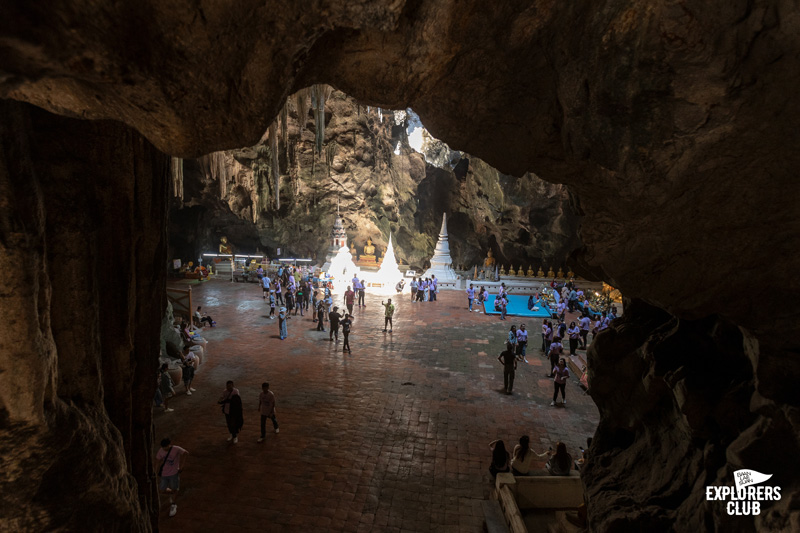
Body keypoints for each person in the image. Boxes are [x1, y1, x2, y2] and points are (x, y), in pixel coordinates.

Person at [155, 437, 188, 517]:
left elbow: (185, 453)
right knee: (162, 489)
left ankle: (173, 504)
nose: (164, 449)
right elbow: (158, 462)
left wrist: (182, 466)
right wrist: (156, 472)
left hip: (174, 473)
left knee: (174, 487)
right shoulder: (161, 451)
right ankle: (173, 493)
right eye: (163, 447)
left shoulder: (176, 449)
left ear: (169, 445)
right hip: (164, 473)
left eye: (165, 447)